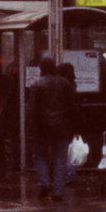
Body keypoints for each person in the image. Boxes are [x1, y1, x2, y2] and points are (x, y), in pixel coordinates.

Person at [26, 56, 80, 200]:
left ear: (41, 69)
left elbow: (32, 110)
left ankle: (44, 182)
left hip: (42, 127)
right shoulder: (65, 84)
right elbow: (72, 108)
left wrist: (31, 129)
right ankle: (58, 191)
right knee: (60, 159)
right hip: (62, 127)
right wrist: (75, 127)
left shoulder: (36, 85)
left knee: (39, 156)